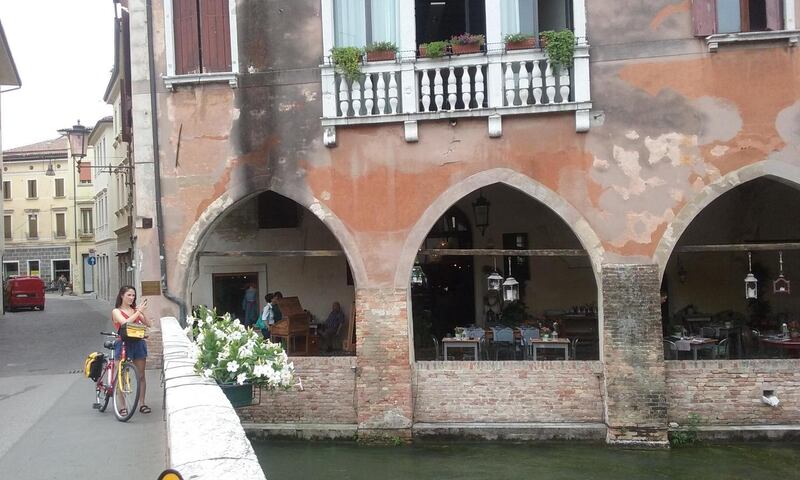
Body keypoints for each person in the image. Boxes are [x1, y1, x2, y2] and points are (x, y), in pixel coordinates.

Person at [111, 286, 151, 415]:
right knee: (121, 376)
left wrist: (142, 312)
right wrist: (138, 312)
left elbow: (148, 324)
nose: (132, 298)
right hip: (123, 343)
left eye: (133, 295)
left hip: (138, 343)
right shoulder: (116, 311)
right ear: (122, 296)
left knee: (141, 375)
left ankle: (142, 403)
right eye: (129, 295)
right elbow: (124, 323)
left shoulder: (135, 310)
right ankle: (122, 406)